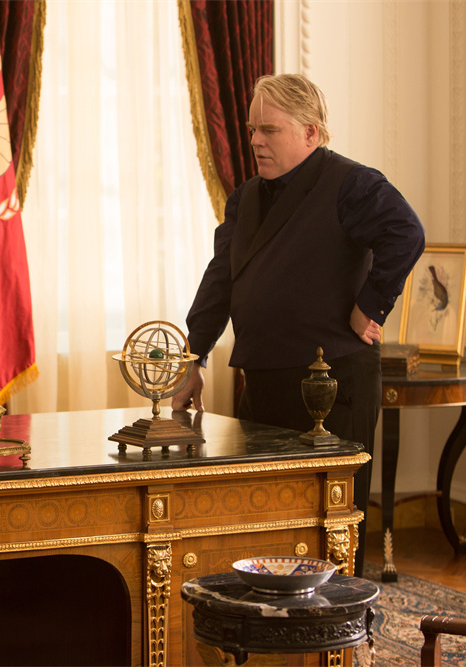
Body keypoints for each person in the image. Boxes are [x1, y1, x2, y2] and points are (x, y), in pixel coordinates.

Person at [171, 74, 425, 576]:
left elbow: (406, 232)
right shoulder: (244, 198)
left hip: (332, 387)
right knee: (264, 523)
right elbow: (220, 279)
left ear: (311, 131)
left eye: (270, 130)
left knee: (332, 528)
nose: (255, 141)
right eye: (251, 130)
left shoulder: (351, 183)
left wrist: (371, 307)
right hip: (262, 382)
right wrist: (194, 357)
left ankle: (341, 621)